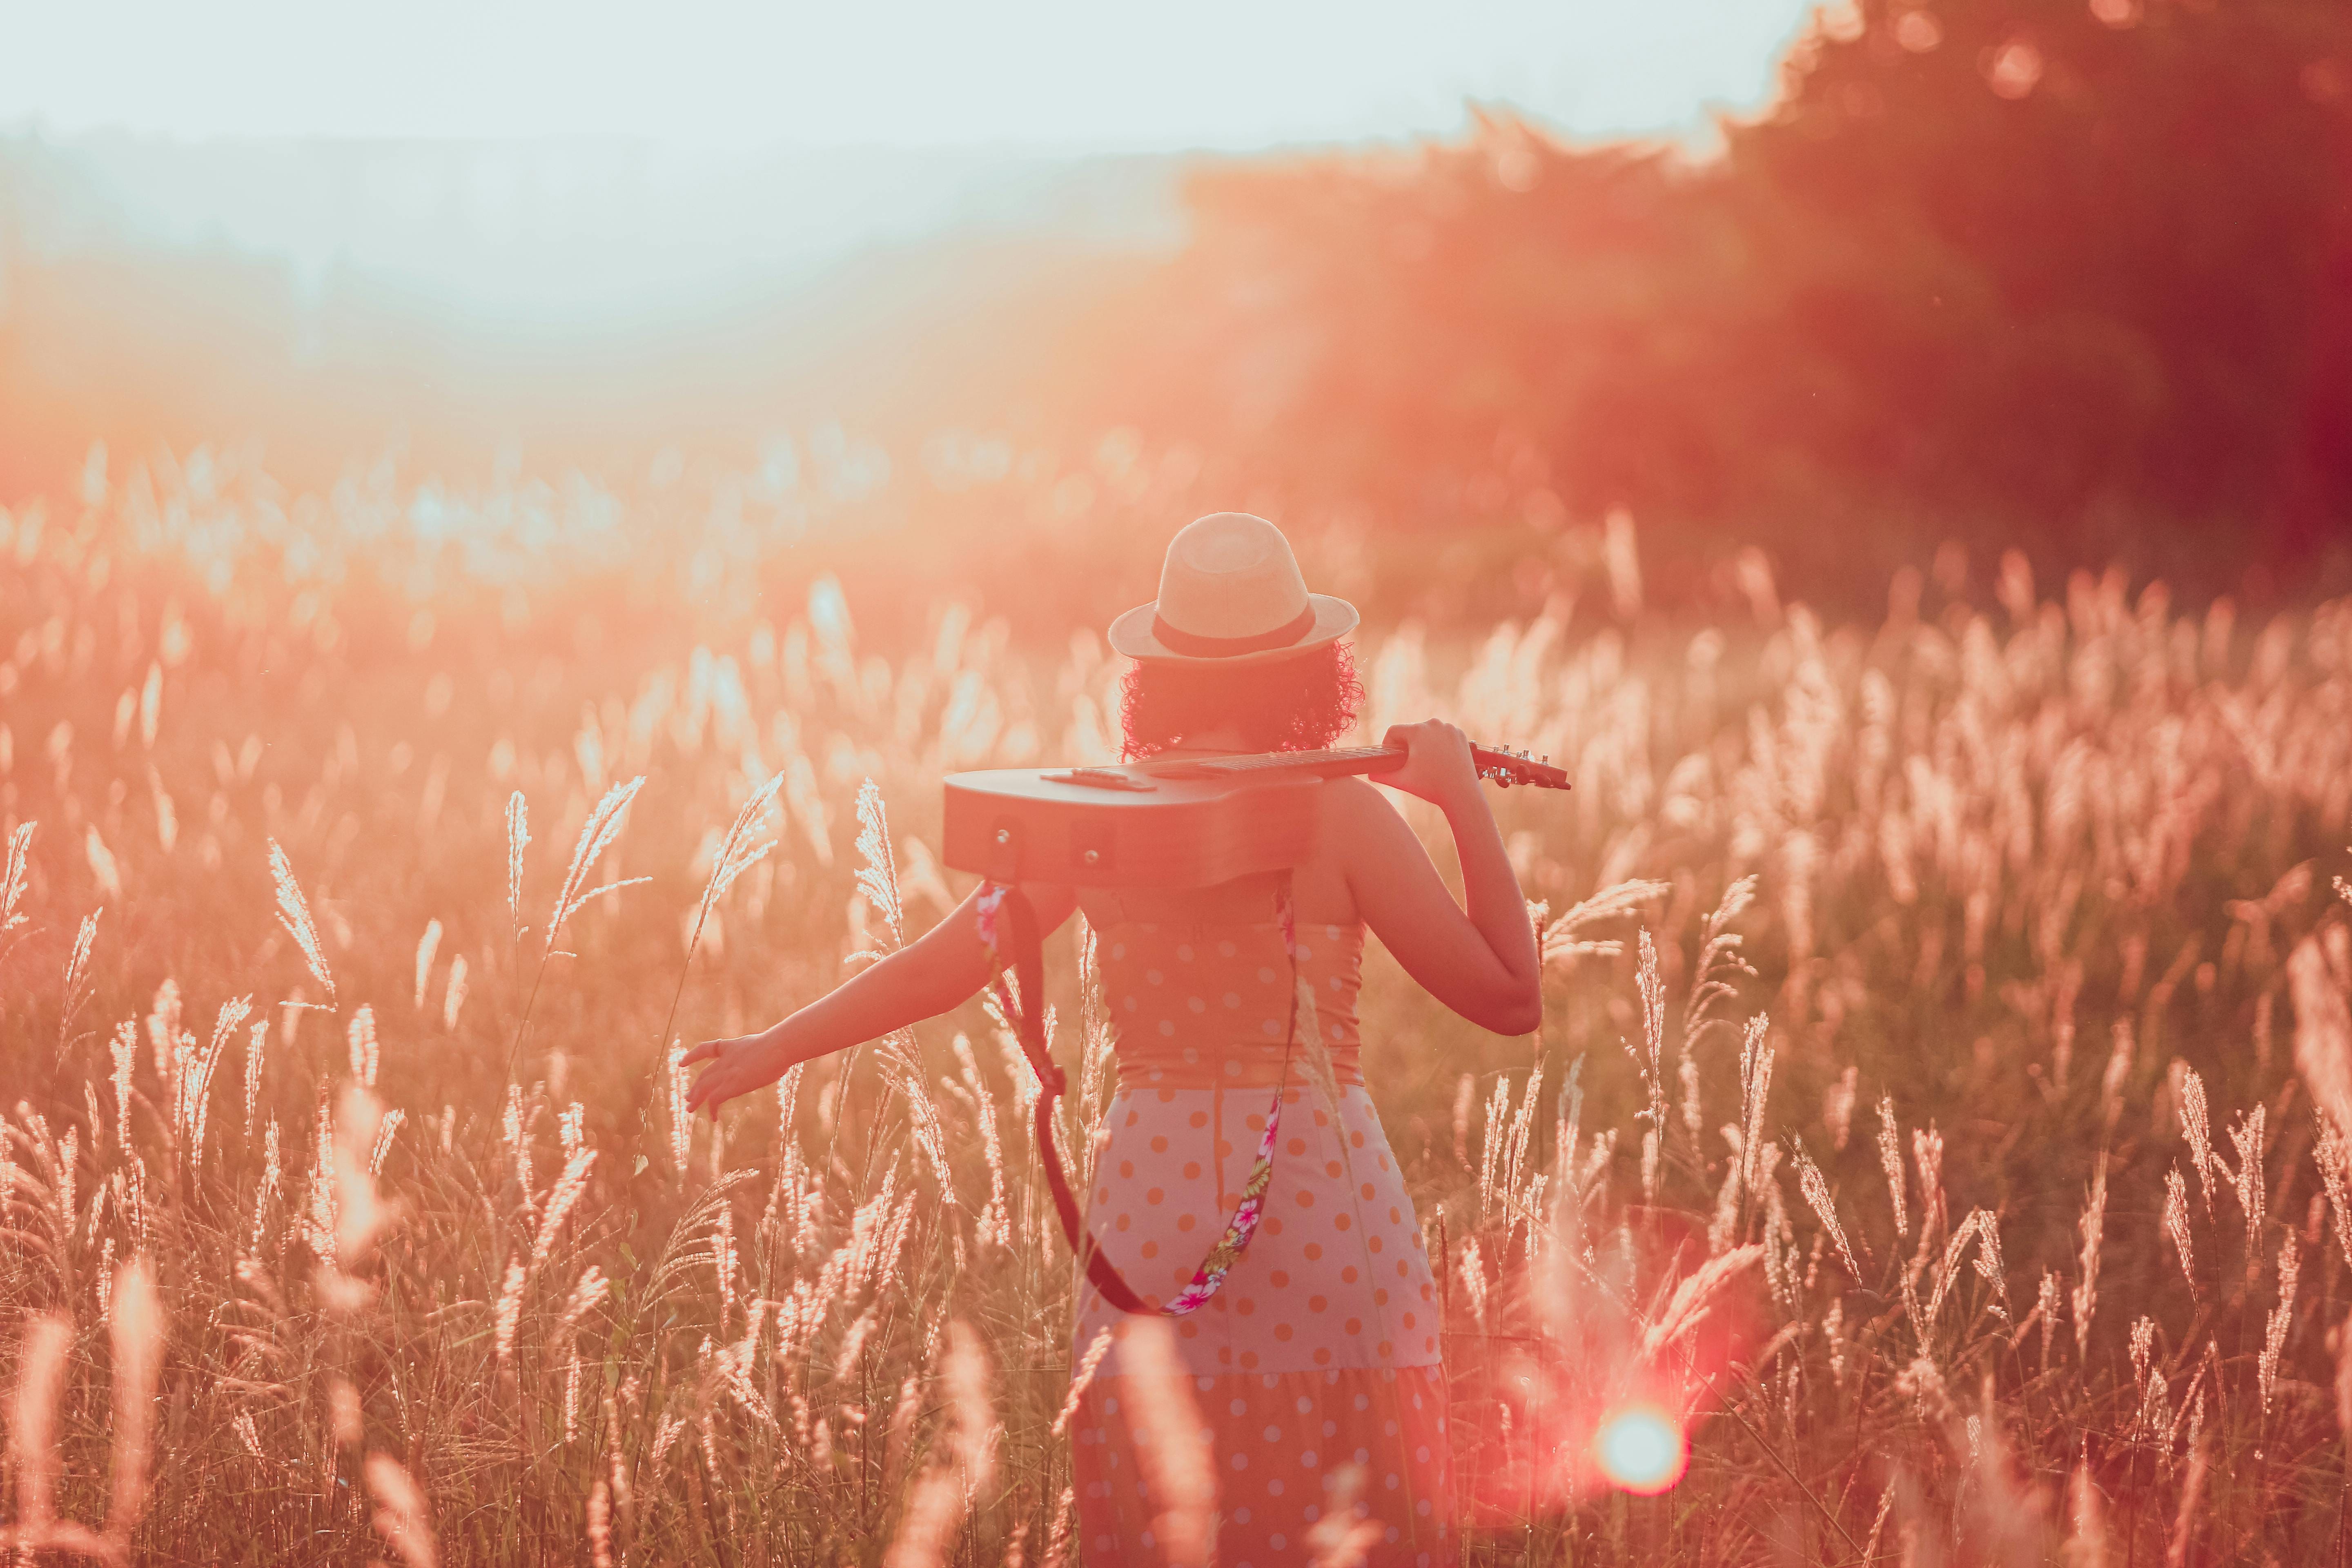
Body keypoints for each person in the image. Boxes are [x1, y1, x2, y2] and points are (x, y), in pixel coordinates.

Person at [685, 512, 1541, 1567]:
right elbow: (1511, 997)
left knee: (1170, 1518)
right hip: (1328, 1211)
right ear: (1308, 670)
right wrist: (1459, 796)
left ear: (1160, 673)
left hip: (1151, 1209)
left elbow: (936, 970)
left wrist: (778, 1043)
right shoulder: (1345, 816)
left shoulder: (1097, 821)